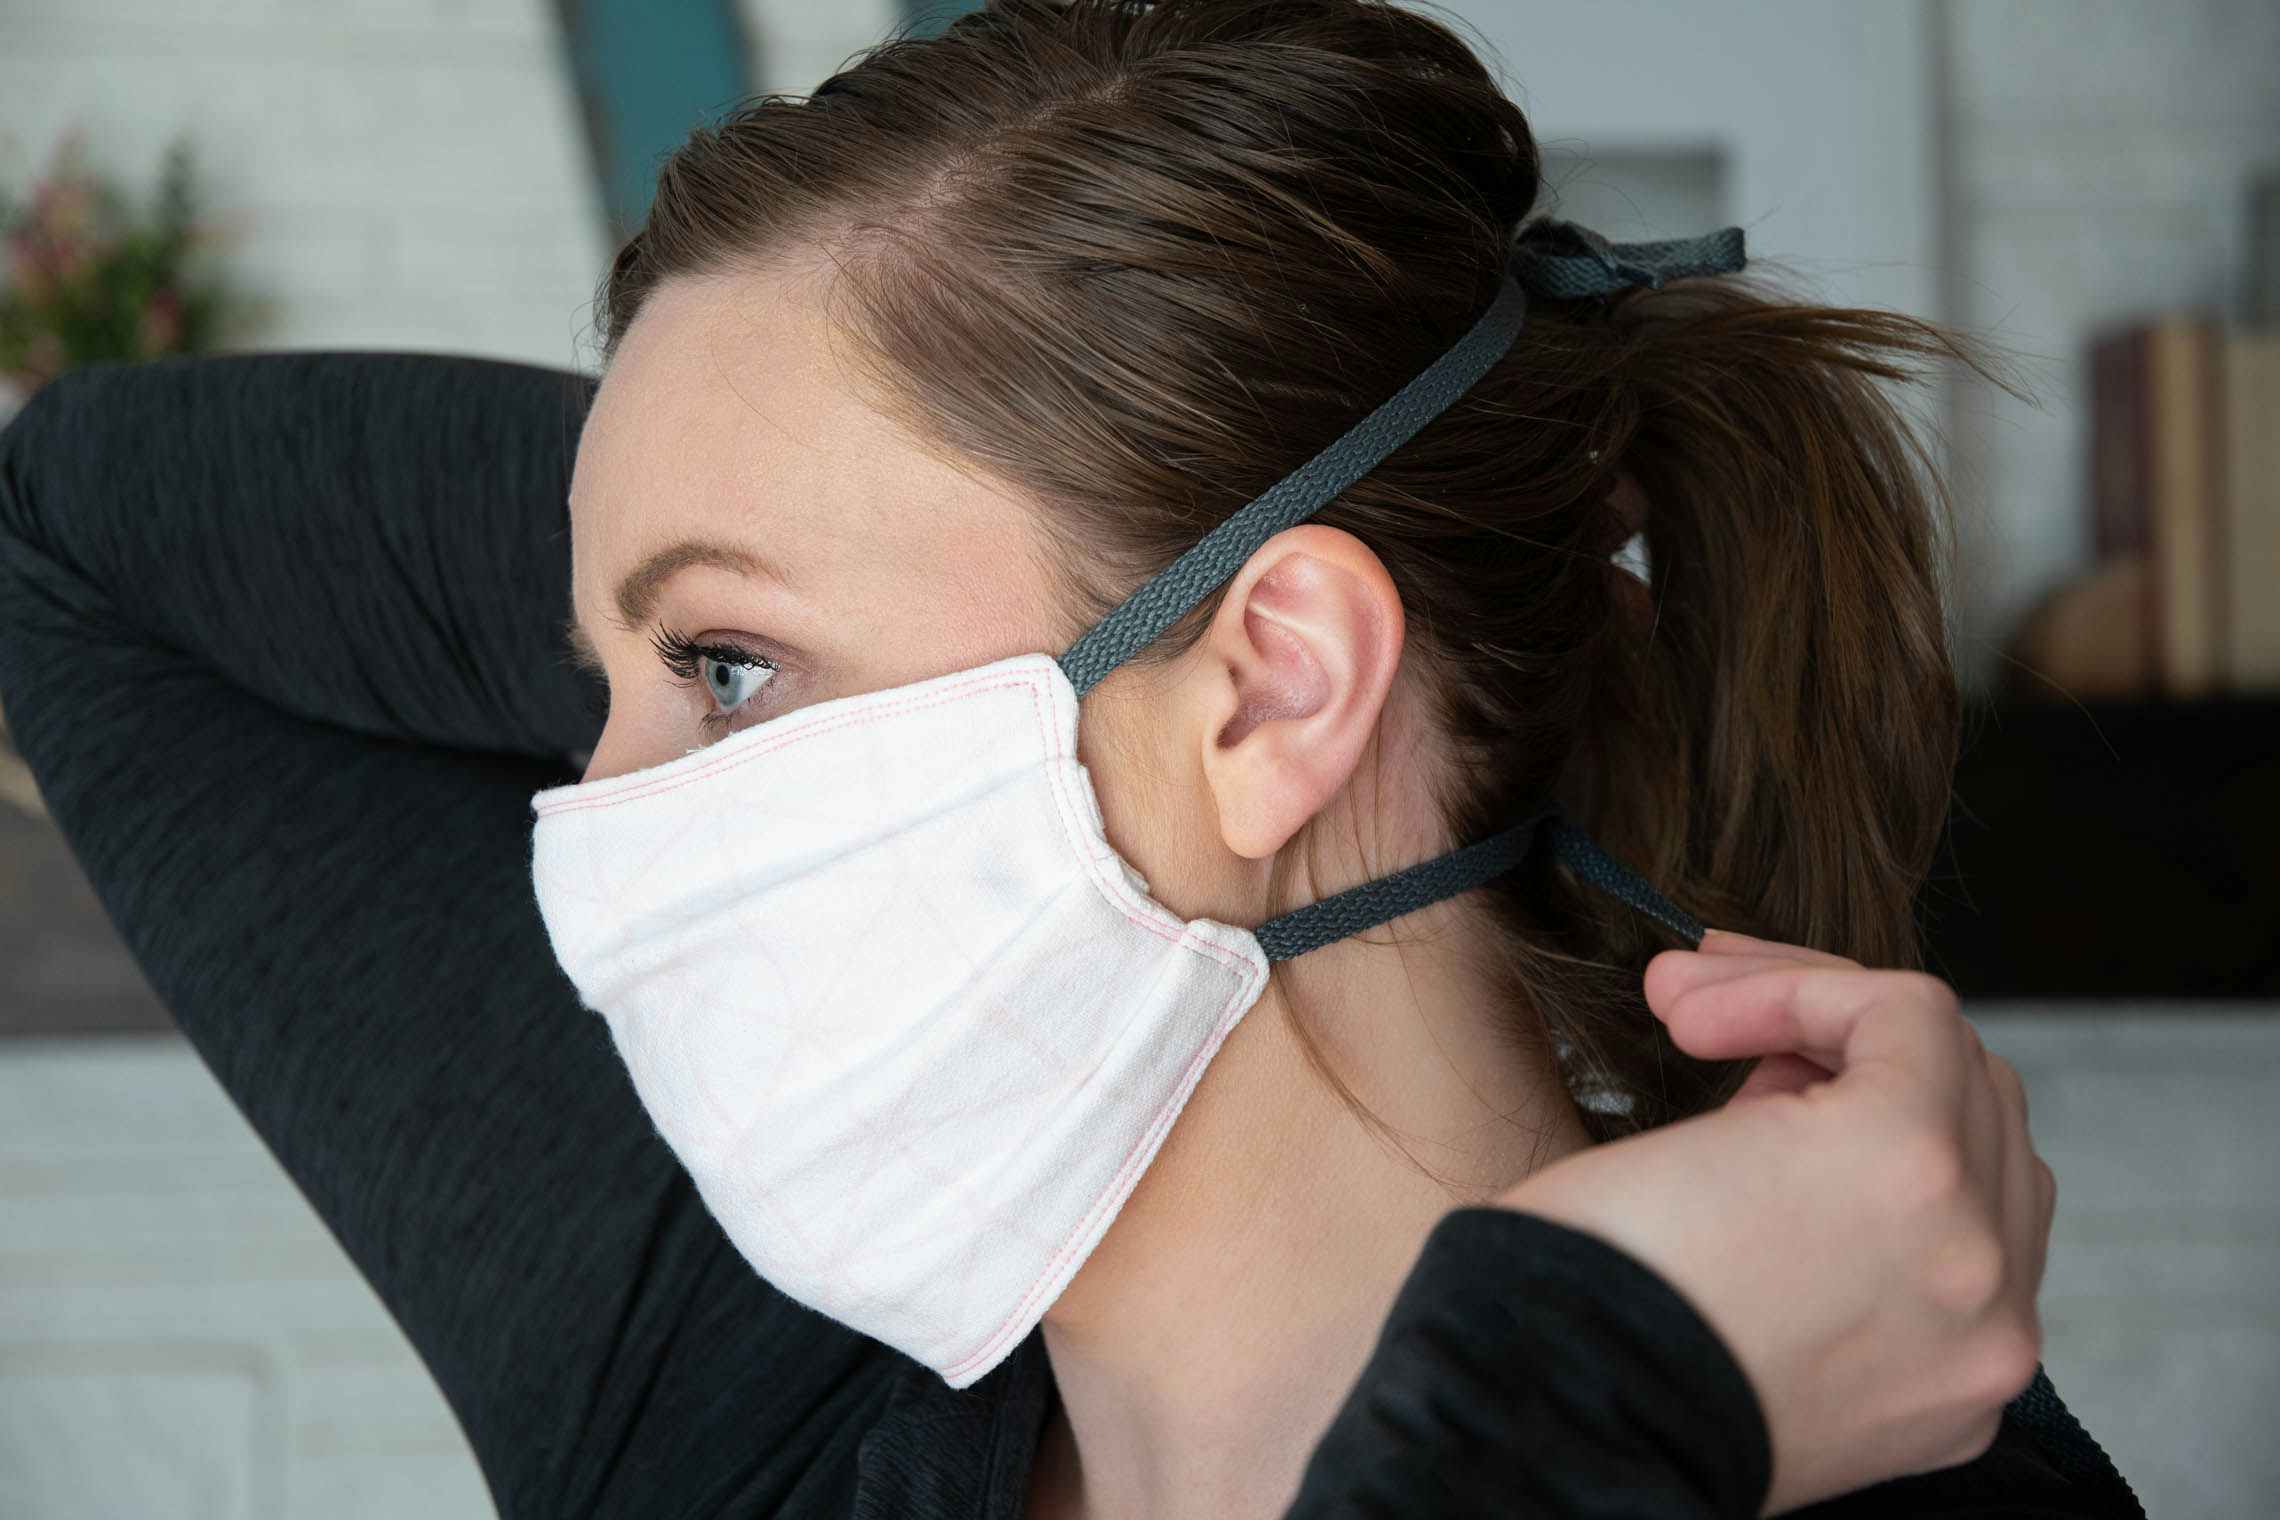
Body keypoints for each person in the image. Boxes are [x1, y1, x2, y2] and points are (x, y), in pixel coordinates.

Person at [0, 1, 2146, 1517]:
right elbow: (68, 542)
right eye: (619, 684)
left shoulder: (1915, 1490)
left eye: (728, 672)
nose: (592, 830)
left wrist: (1589, 1399)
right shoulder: (741, 1407)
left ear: (1273, 686)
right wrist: (713, 525)